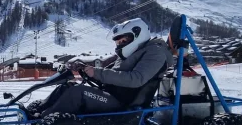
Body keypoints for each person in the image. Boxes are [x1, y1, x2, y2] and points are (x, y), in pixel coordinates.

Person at [26, 18, 174, 119]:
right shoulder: (134, 52)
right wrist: (87, 70)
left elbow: (136, 79)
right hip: (111, 95)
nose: (120, 44)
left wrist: (97, 73)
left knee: (78, 92)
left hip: (123, 104)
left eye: (124, 40)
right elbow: (112, 73)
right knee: (67, 86)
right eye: (118, 41)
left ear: (137, 34)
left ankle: (42, 121)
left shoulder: (155, 52)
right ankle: (36, 111)